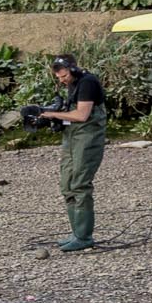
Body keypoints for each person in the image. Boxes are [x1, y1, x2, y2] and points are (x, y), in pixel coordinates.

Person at [30, 53, 107, 252]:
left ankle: (84, 236)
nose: (62, 80)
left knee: (80, 183)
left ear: (72, 69)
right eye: (59, 78)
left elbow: (82, 115)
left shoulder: (87, 82)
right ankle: (75, 233)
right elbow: (70, 113)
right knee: (67, 183)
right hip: (72, 137)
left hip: (87, 136)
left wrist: (53, 114)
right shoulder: (72, 84)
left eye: (64, 76)